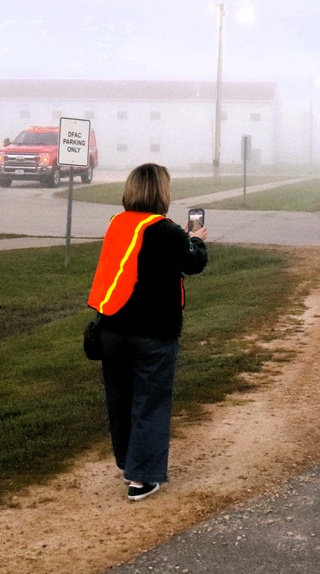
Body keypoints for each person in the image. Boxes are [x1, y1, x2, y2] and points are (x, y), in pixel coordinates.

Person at [87, 163, 208, 501]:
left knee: (121, 400)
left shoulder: (118, 223)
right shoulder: (166, 231)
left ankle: (129, 461)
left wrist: (183, 238)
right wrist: (195, 240)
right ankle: (142, 477)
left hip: (111, 328)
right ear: (161, 193)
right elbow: (193, 262)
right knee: (151, 402)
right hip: (153, 333)